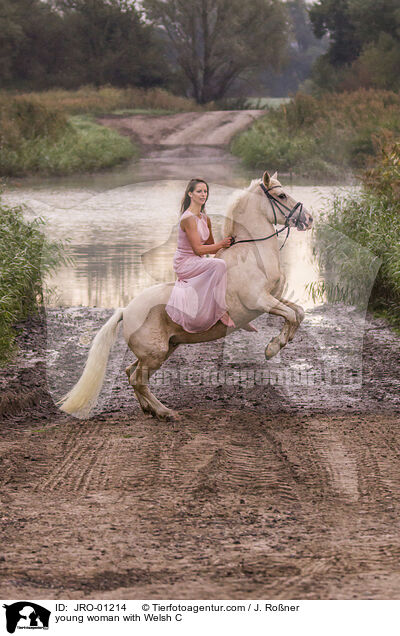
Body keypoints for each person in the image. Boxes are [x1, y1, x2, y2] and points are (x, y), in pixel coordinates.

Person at [165, 178, 236, 333]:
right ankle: (221, 311)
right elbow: (198, 249)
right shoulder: (188, 218)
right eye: (199, 191)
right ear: (190, 194)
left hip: (198, 260)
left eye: (205, 191)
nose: (203, 194)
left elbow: (210, 248)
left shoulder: (205, 219)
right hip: (185, 263)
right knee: (219, 265)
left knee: (225, 263)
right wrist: (221, 244)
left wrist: (230, 245)